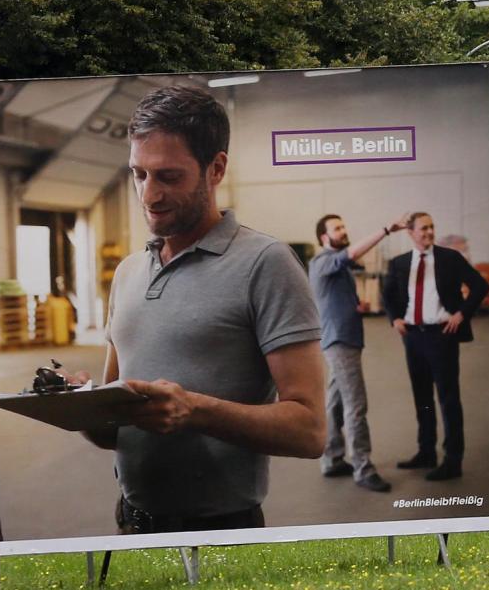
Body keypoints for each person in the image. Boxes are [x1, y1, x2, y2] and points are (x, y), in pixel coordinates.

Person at [80, 84, 325, 534]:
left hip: (222, 532)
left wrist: (194, 410)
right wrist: (82, 408)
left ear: (216, 169)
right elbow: (118, 427)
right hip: (130, 521)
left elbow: (310, 430)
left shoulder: (266, 263)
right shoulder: (128, 273)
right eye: (139, 175)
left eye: (168, 177)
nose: (148, 195)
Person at [382, 212, 489, 481]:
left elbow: (480, 285)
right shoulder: (399, 263)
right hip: (413, 337)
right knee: (422, 398)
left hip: (442, 336)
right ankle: (426, 451)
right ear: (411, 232)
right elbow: (388, 294)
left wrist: (461, 314)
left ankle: (453, 461)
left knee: (448, 399)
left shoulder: (450, 258)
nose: (429, 232)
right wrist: (395, 318)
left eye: (432, 227)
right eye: (423, 228)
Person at [310, 212, 409, 493]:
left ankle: (331, 459)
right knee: (356, 405)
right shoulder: (323, 261)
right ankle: (363, 468)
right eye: (336, 228)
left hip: (345, 338)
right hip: (340, 342)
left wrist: (356, 306)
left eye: (344, 225)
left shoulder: (338, 268)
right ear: (324, 237)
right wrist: (386, 229)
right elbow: (353, 251)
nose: (343, 231)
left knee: (336, 403)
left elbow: (333, 299)